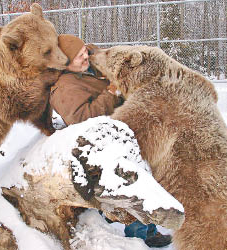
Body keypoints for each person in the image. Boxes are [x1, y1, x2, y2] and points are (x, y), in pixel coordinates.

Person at [50, 34, 172, 248]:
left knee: (147, 177)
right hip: (104, 146)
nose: (85, 57)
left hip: (121, 131)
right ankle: (140, 236)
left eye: (84, 52)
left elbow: (98, 59)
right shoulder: (64, 88)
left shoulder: (83, 69)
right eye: (79, 56)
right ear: (66, 62)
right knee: (134, 186)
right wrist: (111, 91)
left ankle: (149, 227)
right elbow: (81, 119)